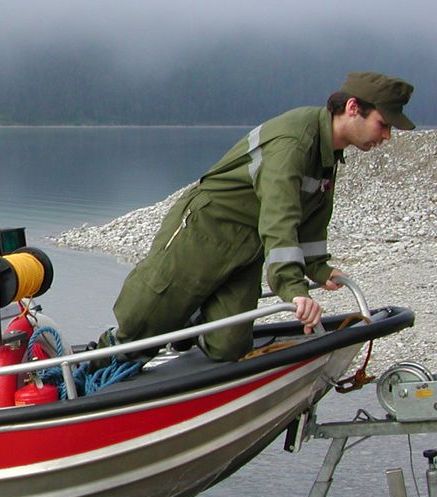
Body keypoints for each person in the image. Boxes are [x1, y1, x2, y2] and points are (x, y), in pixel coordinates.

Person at [99, 71, 415, 364]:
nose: (386, 135)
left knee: (230, 347)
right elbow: (280, 219)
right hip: (205, 231)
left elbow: (313, 219)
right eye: (383, 123)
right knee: (139, 330)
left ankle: (195, 316)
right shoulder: (293, 144)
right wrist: (293, 289)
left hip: (247, 247)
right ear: (353, 108)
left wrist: (319, 268)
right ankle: (92, 373)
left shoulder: (328, 153)